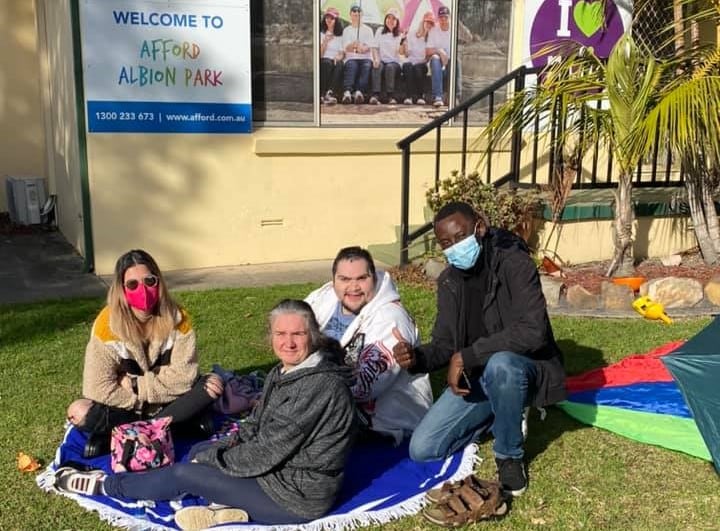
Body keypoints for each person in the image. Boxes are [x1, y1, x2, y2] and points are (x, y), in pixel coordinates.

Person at [54, 299, 357, 527]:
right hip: (279, 474)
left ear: (313, 336)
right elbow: (256, 425)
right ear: (271, 336)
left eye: (298, 334)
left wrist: (213, 459)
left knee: (188, 472)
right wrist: (219, 448)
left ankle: (104, 485)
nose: (288, 343)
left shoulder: (319, 386)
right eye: (281, 333)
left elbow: (265, 454)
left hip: (296, 497)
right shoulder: (289, 370)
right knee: (203, 449)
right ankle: (225, 510)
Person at [392, 202, 566, 497]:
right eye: (446, 243)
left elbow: (532, 331)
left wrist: (468, 356)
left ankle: (509, 456)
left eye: (460, 237)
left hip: (524, 368)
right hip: (479, 378)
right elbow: (446, 343)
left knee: (502, 365)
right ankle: (502, 410)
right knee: (424, 448)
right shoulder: (449, 282)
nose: (454, 247)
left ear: (480, 227)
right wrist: (416, 357)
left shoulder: (514, 264)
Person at [65, 249, 223, 458]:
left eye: (149, 281)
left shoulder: (179, 318)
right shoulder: (106, 326)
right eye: (132, 284)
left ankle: (128, 435)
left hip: (167, 401)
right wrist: (140, 403)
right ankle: (170, 429)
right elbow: (96, 387)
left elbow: (184, 377)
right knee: (79, 411)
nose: (143, 289)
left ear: (159, 282)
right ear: (121, 289)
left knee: (212, 384)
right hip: (127, 407)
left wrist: (133, 385)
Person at [306, 246, 432, 445]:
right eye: (345, 279)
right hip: (328, 398)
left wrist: (302, 389)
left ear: (373, 277)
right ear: (334, 280)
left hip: (380, 422)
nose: (353, 287)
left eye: (362, 278)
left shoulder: (392, 320)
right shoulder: (325, 297)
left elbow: (364, 387)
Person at [369, 8, 405, 105]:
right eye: (388, 18)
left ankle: (391, 95)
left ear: (397, 22)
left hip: (394, 63)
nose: (390, 21)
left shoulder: (400, 35)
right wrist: (376, 59)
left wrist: (403, 41)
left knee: (389, 67)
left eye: (394, 19)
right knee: (377, 66)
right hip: (382, 60)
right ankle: (375, 94)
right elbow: (375, 48)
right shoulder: (380, 31)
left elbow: (401, 53)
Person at [341, 3, 375, 104]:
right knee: (351, 65)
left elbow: (368, 47)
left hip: (366, 58)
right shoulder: (346, 30)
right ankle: (347, 92)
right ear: (350, 14)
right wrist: (354, 45)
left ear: (362, 14)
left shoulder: (368, 30)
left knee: (366, 66)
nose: (356, 13)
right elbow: (346, 47)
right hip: (351, 58)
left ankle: (359, 92)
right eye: (354, 11)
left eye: (358, 11)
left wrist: (360, 48)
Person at [402, 11, 434, 105]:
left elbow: (428, 58)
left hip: (422, 64)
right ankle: (409, 97)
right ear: (423, 22)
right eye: (427, 22)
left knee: (417, 68)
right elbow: (407, 54)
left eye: (431, 23)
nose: (429, 25)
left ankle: (420, 96)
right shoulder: (412, 34)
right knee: (407, 66)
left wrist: (421, 62)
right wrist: (405, 44)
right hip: (410, 62)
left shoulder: (431, 39)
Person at [426, 5, 452, 107]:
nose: (443, 20)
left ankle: (456, 97)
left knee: (457, 61)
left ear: (450, 18)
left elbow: (470, 38)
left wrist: (459, 23)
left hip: (450, 63)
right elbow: (427, 51)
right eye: (441, 18)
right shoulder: (434, 30)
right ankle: (438, 96)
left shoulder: (455, 28)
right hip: (438, 64)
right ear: (438, 19)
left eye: (446, 17)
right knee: (435, 58)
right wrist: (439, 51)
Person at [320, 6, 344, 105]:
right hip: (324, 59)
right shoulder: (321, 34)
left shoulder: (341, 35)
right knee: (326, 63)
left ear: (336, 20)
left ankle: (330, 93)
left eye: (332, 18)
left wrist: (338, 57)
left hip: (335, 58)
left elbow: (342, 52)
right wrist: (325, 41)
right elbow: (320, 55)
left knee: (339, 64)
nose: (329, 20)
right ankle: (321, 93)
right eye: (327, 18)